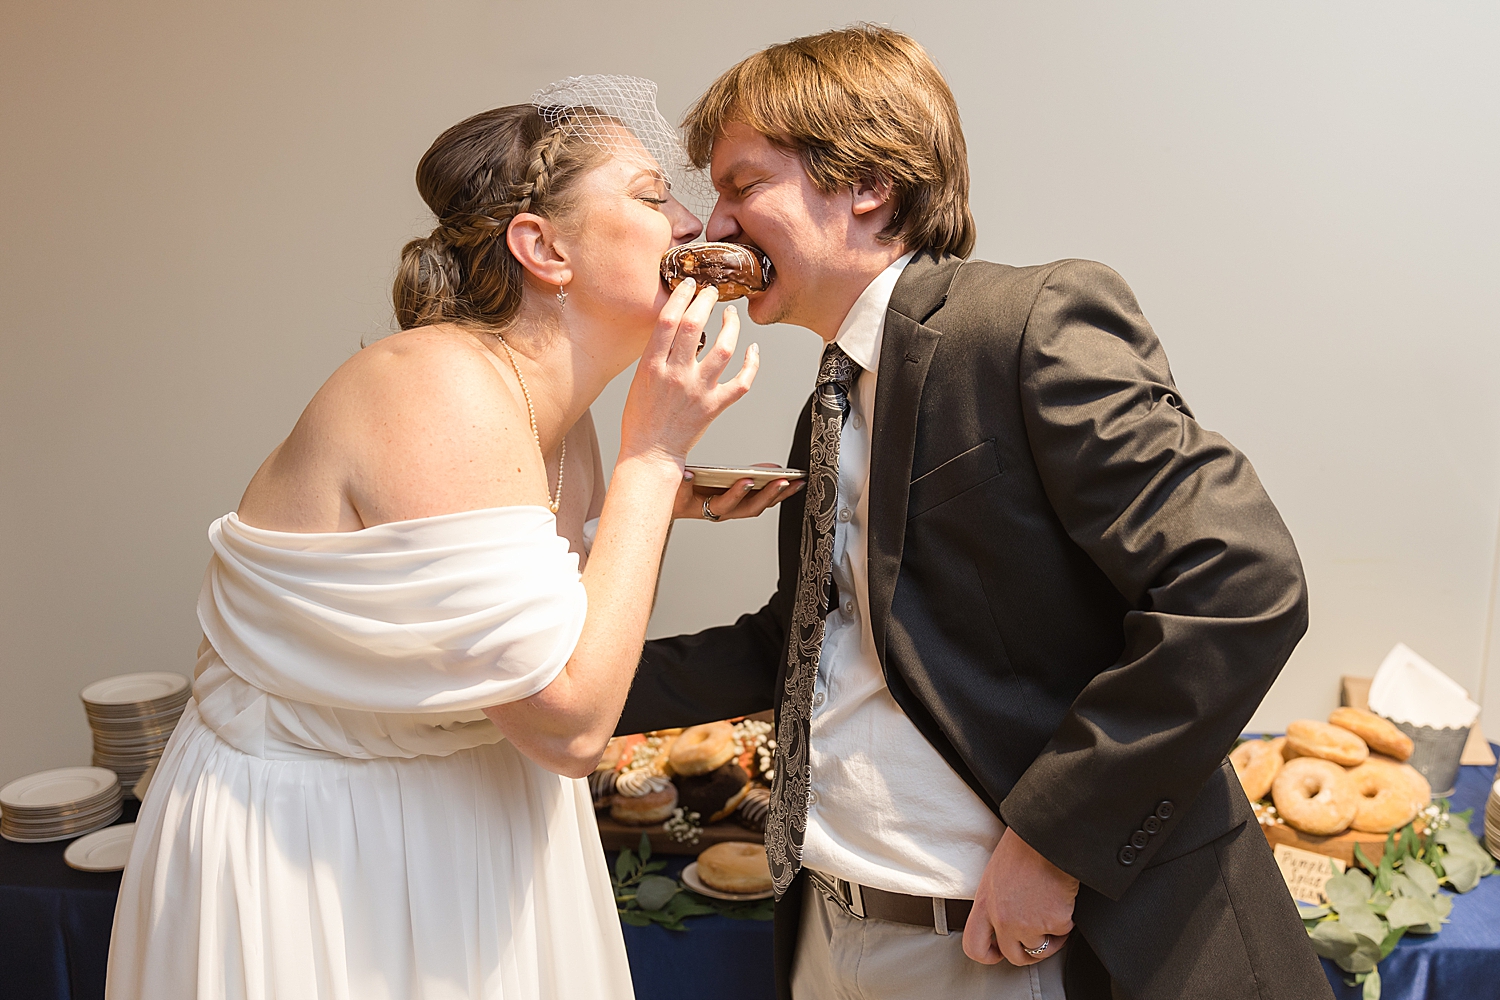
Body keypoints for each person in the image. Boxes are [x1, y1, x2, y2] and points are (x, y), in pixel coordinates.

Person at [618, 27, 1335, 1000]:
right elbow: (792, 646)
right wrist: (546, 682)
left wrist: (1053, 841)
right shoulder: (828, 400)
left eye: (744, 184)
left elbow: (1239, 581)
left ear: (865, 183)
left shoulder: (1028, 324)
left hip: (1009, 948)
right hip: (828, 923)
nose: (716, 222)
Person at [105, 77, 795, 1000]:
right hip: (316, 847)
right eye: (648, 194)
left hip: (476, 819)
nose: (691, 222)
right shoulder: (439, 386)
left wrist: (656, 492)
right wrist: (654, 461)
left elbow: (573, 637)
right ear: (543, 247)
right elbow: (572, 722)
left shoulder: (569, 420)